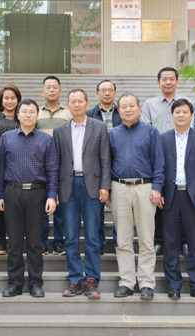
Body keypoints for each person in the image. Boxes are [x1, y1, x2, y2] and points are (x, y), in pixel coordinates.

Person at [0, 99, 58, 298]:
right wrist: (0, 195)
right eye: (24, 111)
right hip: (12, 192)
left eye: (32, 111)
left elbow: (52, 169)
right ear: (18, 115)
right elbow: (0, 168)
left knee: (35, 242)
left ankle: (35, 283)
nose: (28, 115)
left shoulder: (46, 139)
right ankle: (15, 283)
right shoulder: (6, 138)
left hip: (37, 194)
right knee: (14, 242)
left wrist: (52, 195)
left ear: (37, 115)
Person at [55, 89, 111, 299]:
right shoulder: (60, 130)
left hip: (92, 186)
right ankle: (74, 279)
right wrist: (54, 190)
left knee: (92, 237)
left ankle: (91, 279)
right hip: (67, 186)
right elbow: (55, 162)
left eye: (80, 101)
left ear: (87, 103)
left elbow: (105, 159)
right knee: (70, 237)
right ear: (68, 105)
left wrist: (105, 186)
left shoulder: (99, 127)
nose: (77, 104)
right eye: (73, 101)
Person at [110, 94, 165, 300]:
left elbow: (159, 161)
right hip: (119, 188)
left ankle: (146, 283)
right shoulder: (112, 134)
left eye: (131, 105)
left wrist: (157, 187)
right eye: (123, 106)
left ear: (139, 108)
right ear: (118, 111)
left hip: (145, 188)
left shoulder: (151, 132)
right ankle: (126, 282)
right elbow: (107, 162)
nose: (128, 109)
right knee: (123, 240)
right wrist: (107, 188)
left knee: (146, 238)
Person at [160, 99, 195, 300]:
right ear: (172, 115)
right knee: (170, 243)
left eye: (185, 112)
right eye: (177, 112)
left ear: (192, 116)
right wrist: (158, 191)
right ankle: (174, 284)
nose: (181, 115)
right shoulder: (163, 138)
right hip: (170, 196)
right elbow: (159, 167)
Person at [141, 67, 190, 257]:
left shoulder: (186, 102)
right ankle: (159, 241)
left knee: (184, 201)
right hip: (158, 156)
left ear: (177, 81)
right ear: (158, 82)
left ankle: (184, 241)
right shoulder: (149, 104)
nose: (168, 82)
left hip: (183, 154)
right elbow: (146, 131)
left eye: (171, 79)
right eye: (164, 79)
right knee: (159, 198)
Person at [37, 76, 71, 255]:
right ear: (43, 92)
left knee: (61, 207)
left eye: (54, 87)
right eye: (48, 87)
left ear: (60, 91)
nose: (51, 90)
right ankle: (42, 243)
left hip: (63, 165)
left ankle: (59, 242)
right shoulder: (36, 113)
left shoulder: (68, 113)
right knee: (41, 206)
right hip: (40, 166)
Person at [86, 79, 121, 255]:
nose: (107, 93)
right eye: (103, 90)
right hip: (96, 168)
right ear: (97, 94)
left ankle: (118, 243)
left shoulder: (123, 113)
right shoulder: (89, 115)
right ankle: (99, 243)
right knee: (96, 208)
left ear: (115, 93)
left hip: (119, 165)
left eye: (110, 90)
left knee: (119, 210)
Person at [0, 84, 22, 255]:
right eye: (6, 98)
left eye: (12, 98)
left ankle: (16, 241)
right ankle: (3, 242)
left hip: (20, 165)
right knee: (1, 203)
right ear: (1, 100)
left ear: (18, 100)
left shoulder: (22, 117)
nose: (9, 101)